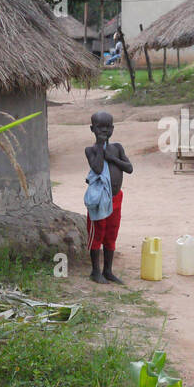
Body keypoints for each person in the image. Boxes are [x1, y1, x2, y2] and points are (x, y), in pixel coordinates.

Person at [84, 110, 133, 284]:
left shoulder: (117, 148)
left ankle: (108, 270)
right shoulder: (90, 150)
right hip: (99, 200)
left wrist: (111, 157)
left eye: (108, 127)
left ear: (113, 128)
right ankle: (95, 271)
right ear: (92, 128)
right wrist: (99, 148)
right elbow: (97, 169)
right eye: (100, 127)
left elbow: (129, 168)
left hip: (116, 198)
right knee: (97, 233)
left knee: (111, 234)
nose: (104, 131)